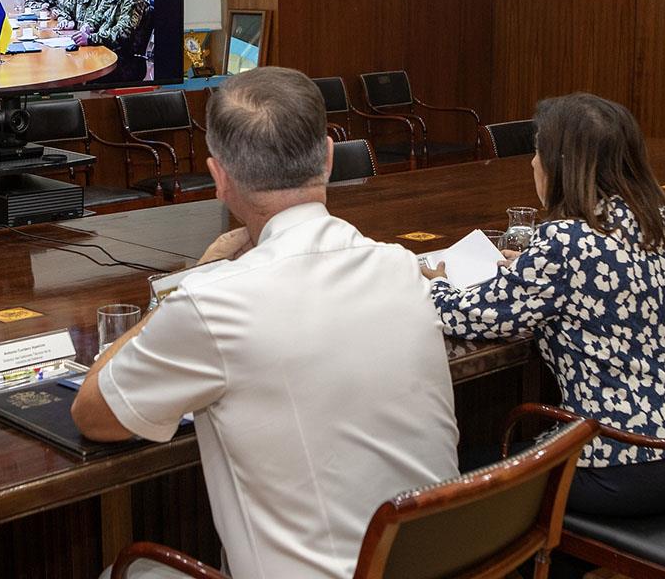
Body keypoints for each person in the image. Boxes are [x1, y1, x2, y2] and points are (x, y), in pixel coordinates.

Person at [72, 67, 459, 579]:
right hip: (443, 563)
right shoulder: (401, 267)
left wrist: (193, 282)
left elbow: (94, 414)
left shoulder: (213, 301)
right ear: (327, 156)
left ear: (219, 178)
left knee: (127, 572)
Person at [423, 92, 665, 520]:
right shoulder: (653, 219)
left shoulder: (565, 241)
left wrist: (437, 285)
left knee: (463, 477)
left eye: (538, 152)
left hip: (623, 466)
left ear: (561, 165)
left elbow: (467, 315)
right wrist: (530, 268)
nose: (531, 163)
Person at [75, 0, 148, 80]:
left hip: (122, 61)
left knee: (78, 71)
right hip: (105, 53)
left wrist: (91, 39)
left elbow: (122, 33)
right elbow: (96, 17)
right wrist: (87, 26)